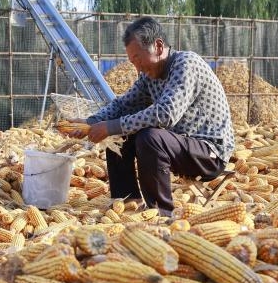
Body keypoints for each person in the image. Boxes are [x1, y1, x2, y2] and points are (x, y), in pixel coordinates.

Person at [66, 16, 234, 216]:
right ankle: (128, 202)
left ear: (159, 46)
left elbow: (165, 114)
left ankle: (160, 212)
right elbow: (123, 104)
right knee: (119, 136)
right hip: (182, 146)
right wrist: (90, 123)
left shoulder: (186, 64)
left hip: (209, 153)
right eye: (132, 61)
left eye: (138, 58)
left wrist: (110, 126)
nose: (137, 67)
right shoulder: (149, 76)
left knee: (150, 137)